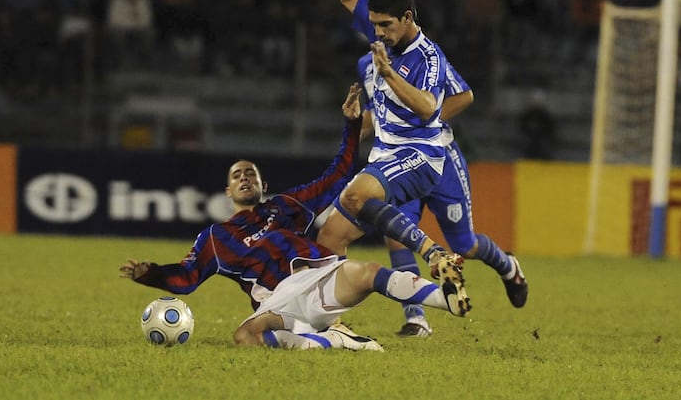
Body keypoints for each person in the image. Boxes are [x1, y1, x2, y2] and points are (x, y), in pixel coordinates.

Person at [119, 84, 467, 350]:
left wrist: (351, 126)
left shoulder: (287, 206)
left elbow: (338, 175)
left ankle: (447, 299)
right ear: (227, 191)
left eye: (250, 174)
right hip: (278, 299)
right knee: (244, 336)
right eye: (237, 175)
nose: (244, 178)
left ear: (262, 184)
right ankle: (338, 340)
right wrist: (149, 274)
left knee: (370, 272)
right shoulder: (216, 238)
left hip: (317, 277)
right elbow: (186, 278)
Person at [335, 0, 528, 337]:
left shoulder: (428, 58)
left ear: (407, 18)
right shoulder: (377, 41)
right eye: (375, 25)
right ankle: (416, 319)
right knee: (394, 233)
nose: (378, 31)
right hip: (394, 157)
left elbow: (441, 103)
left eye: (386, 25)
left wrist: (418, 107)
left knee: (467, 244)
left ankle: (508, 266)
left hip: (436, 158)